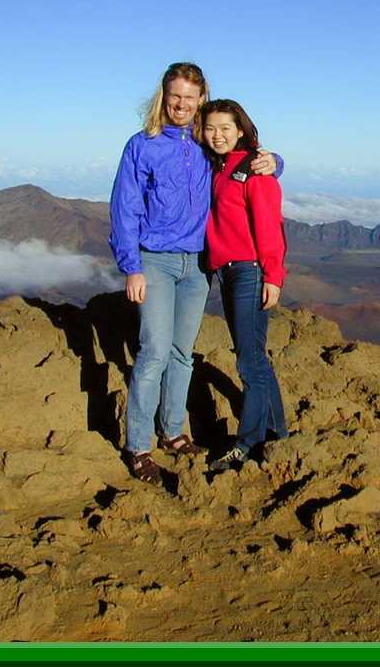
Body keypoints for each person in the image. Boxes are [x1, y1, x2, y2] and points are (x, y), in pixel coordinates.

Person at [109, 63, 281, 484]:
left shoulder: (207, 144)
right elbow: (124, 207)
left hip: (199, 265)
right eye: (175, 96)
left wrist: (274, 161)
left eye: (190, 97)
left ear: (201, 99)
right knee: (152, 351)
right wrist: (131, 267)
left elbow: (245, 159)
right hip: (156, 261)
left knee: (182, 353)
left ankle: (173, 432)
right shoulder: (142, 145)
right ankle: (139, 446)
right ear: (163, 97)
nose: (182, 105)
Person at [197, 99, 289, 472]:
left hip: (250, 272)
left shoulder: (254, 170)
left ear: (240, 130)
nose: (217, 135)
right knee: (256, 359)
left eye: (225, 128)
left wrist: (273, 275)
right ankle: (276, 435)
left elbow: (269, 226)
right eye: (210, 128)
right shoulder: (218, 168)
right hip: (228, 271)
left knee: (249, 363)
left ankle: (247, 443)